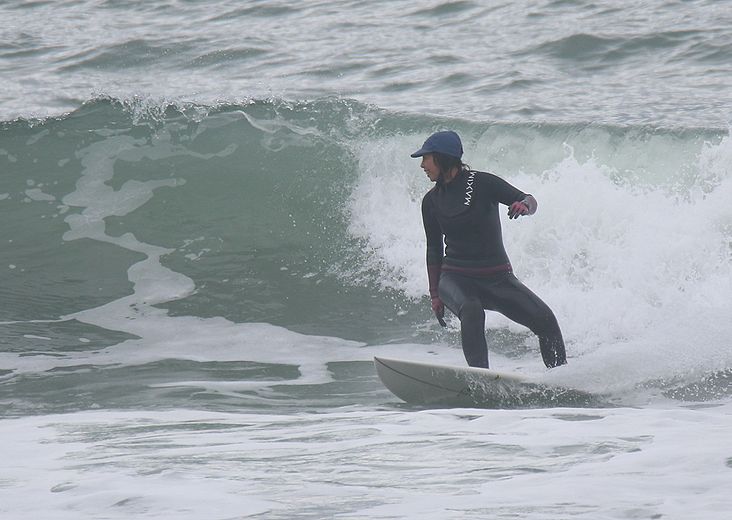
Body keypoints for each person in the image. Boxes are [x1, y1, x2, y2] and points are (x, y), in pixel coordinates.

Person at [412, 130, 567, 369]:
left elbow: (528, 198)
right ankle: (481, 378)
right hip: (455, 277)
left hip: (497, 278)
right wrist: (435, 295)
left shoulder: (483, 183)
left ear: (442, 158)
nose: (422, 165)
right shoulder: (431, 202)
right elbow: (434, 250)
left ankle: (559, 378)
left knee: (546, 321)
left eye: (426, 158)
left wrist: (524, 206)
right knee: (472, 309)